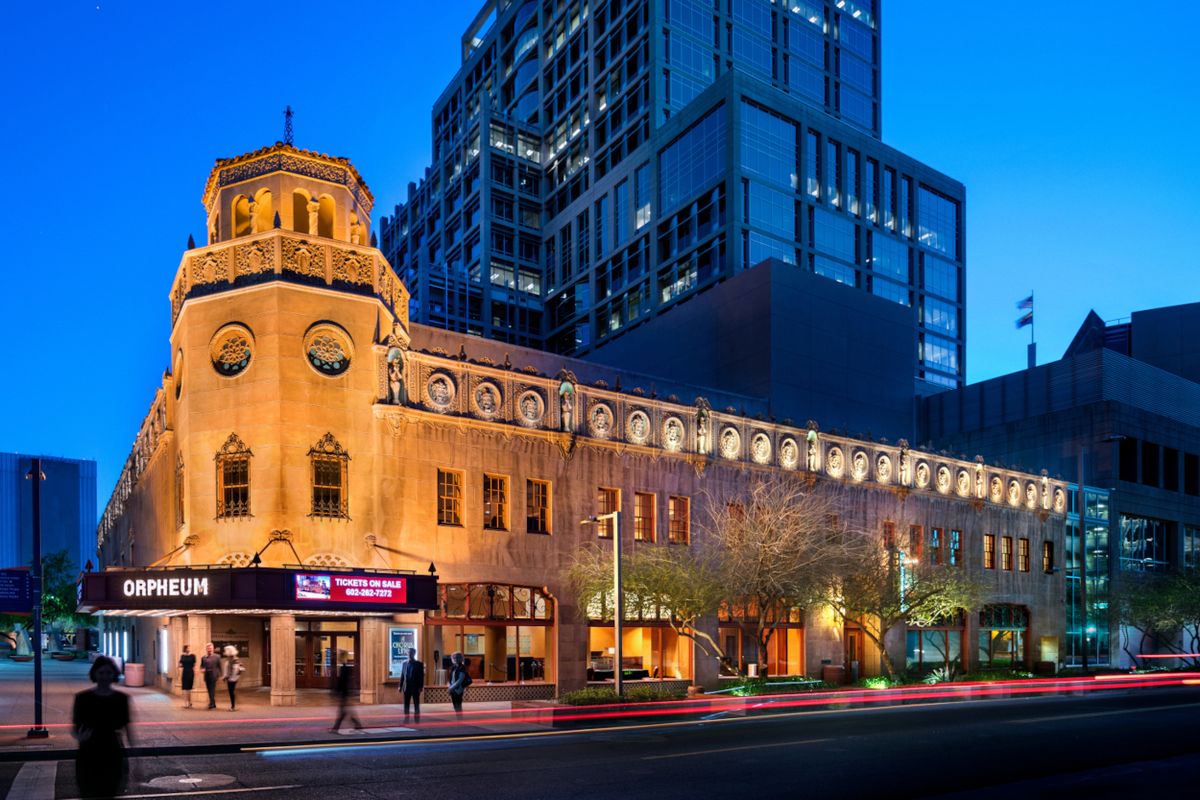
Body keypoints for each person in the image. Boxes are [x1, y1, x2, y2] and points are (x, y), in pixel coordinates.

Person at [73, 655, 133, 799]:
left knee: (109, 791)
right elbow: (75, 726)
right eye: (101, 673)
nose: (104, 677)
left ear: (114, 674)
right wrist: (79, 737)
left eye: (108, 673)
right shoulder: (83, 698)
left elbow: (127, 728)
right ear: (94, 674)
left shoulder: (121, 699)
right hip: (89, 752)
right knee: (89, 792)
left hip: (112, 751)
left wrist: (135, 756)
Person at [330, 651, 363, 733]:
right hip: (346, 692)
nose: (338, 658)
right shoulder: (346, 667)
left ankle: (336, 728)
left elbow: (342, 681)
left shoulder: (344, 668)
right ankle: (357, 724)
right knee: (345, 711)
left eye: (340, 657)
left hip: (344, 693)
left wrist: (337, 691)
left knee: (342, 711)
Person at [399, 647, 425, 722]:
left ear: (414, 653)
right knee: (406, 703)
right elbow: (402, 675)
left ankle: (417, 718)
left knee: (416, 703)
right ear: (407, 653)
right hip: (406, 687)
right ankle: (406, 717)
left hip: (415, 687)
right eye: (408, 652)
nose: (409, 654)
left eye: (411, 652)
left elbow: (421, 676)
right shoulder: (404, 664)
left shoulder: (419, 664)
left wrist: (421, 686)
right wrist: (400, 686)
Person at [447, 651, 471, 716]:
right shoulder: (453, 667)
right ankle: (458, 718)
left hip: (458, 689)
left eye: (457, 658)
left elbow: (460, 680)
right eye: (453, 658)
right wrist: (449, 686)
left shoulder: (462, 668)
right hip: (452, 689)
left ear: (460, 659)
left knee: (458, 705)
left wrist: (451, 688)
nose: (455, 659)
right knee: (455, 705)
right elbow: (450, 679)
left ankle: (460, 720)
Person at [222, 645, 245, 711]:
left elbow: (237, 670)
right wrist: (225, 676)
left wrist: (229, 677)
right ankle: (233, 705)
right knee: (231, 692)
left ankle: (233, 706)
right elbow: (227, 669)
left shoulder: (234, 660)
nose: (225, 652)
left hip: (232, 679)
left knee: (231, 692)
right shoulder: (230, 659)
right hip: (230, 678)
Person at [200, 643, 221, 710]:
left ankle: (211, 704)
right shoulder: (203, 657)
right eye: (208, 648)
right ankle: (213, 703)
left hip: (213, 675)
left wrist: (220, 675)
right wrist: (202, 669)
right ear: (206, 649)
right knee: (209, 690)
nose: (209, 649)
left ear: (213, 649)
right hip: (206, 675)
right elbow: (202, 666)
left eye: (210, 648)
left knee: (212, 690)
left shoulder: (217, 656)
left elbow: (219, 667)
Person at [178, 644, 196, 709]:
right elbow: (180, 664)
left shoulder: (193, 656)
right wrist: (180, 666)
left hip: (191, 672)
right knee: (185, 688)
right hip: (185, 672)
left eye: (189, 648)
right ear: (185, 649)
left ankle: (190, 702)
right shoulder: (182, 656)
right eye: (188, 648)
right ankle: (186, 703)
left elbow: (194, 665)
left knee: (189, 688)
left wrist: (195, 673)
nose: (189, 649)